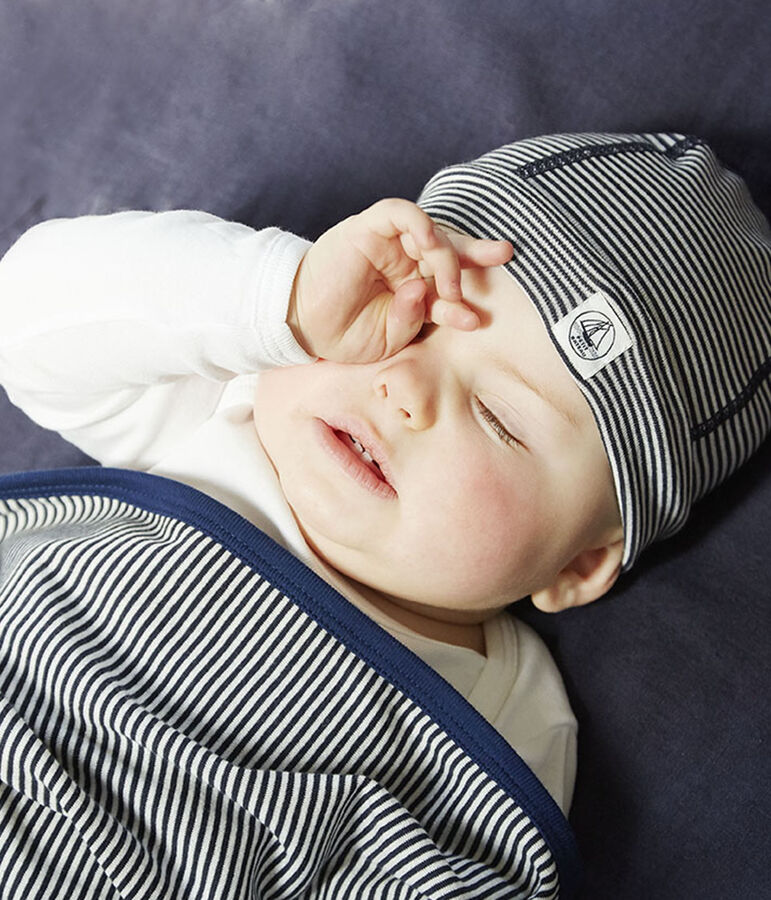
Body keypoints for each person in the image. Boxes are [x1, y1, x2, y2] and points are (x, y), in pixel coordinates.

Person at [0, 131, 768, 818]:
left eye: (499, 417)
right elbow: (23, 314)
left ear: (579, 562)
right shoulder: (214, 413)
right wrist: (287, 303)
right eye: (411, 318)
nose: (403, 387)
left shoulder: (505, 721)